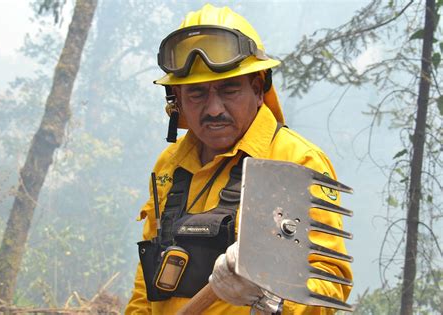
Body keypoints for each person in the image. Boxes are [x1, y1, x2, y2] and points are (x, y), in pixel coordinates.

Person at [125, 4, 352, 315]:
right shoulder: (170, 164)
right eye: (197, 93)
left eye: (229, 90)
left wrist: (267, 296)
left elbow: (331, 285)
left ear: (257, 89)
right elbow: (146, 282)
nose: (214, 108)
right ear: (175, 100)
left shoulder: (294, 161)